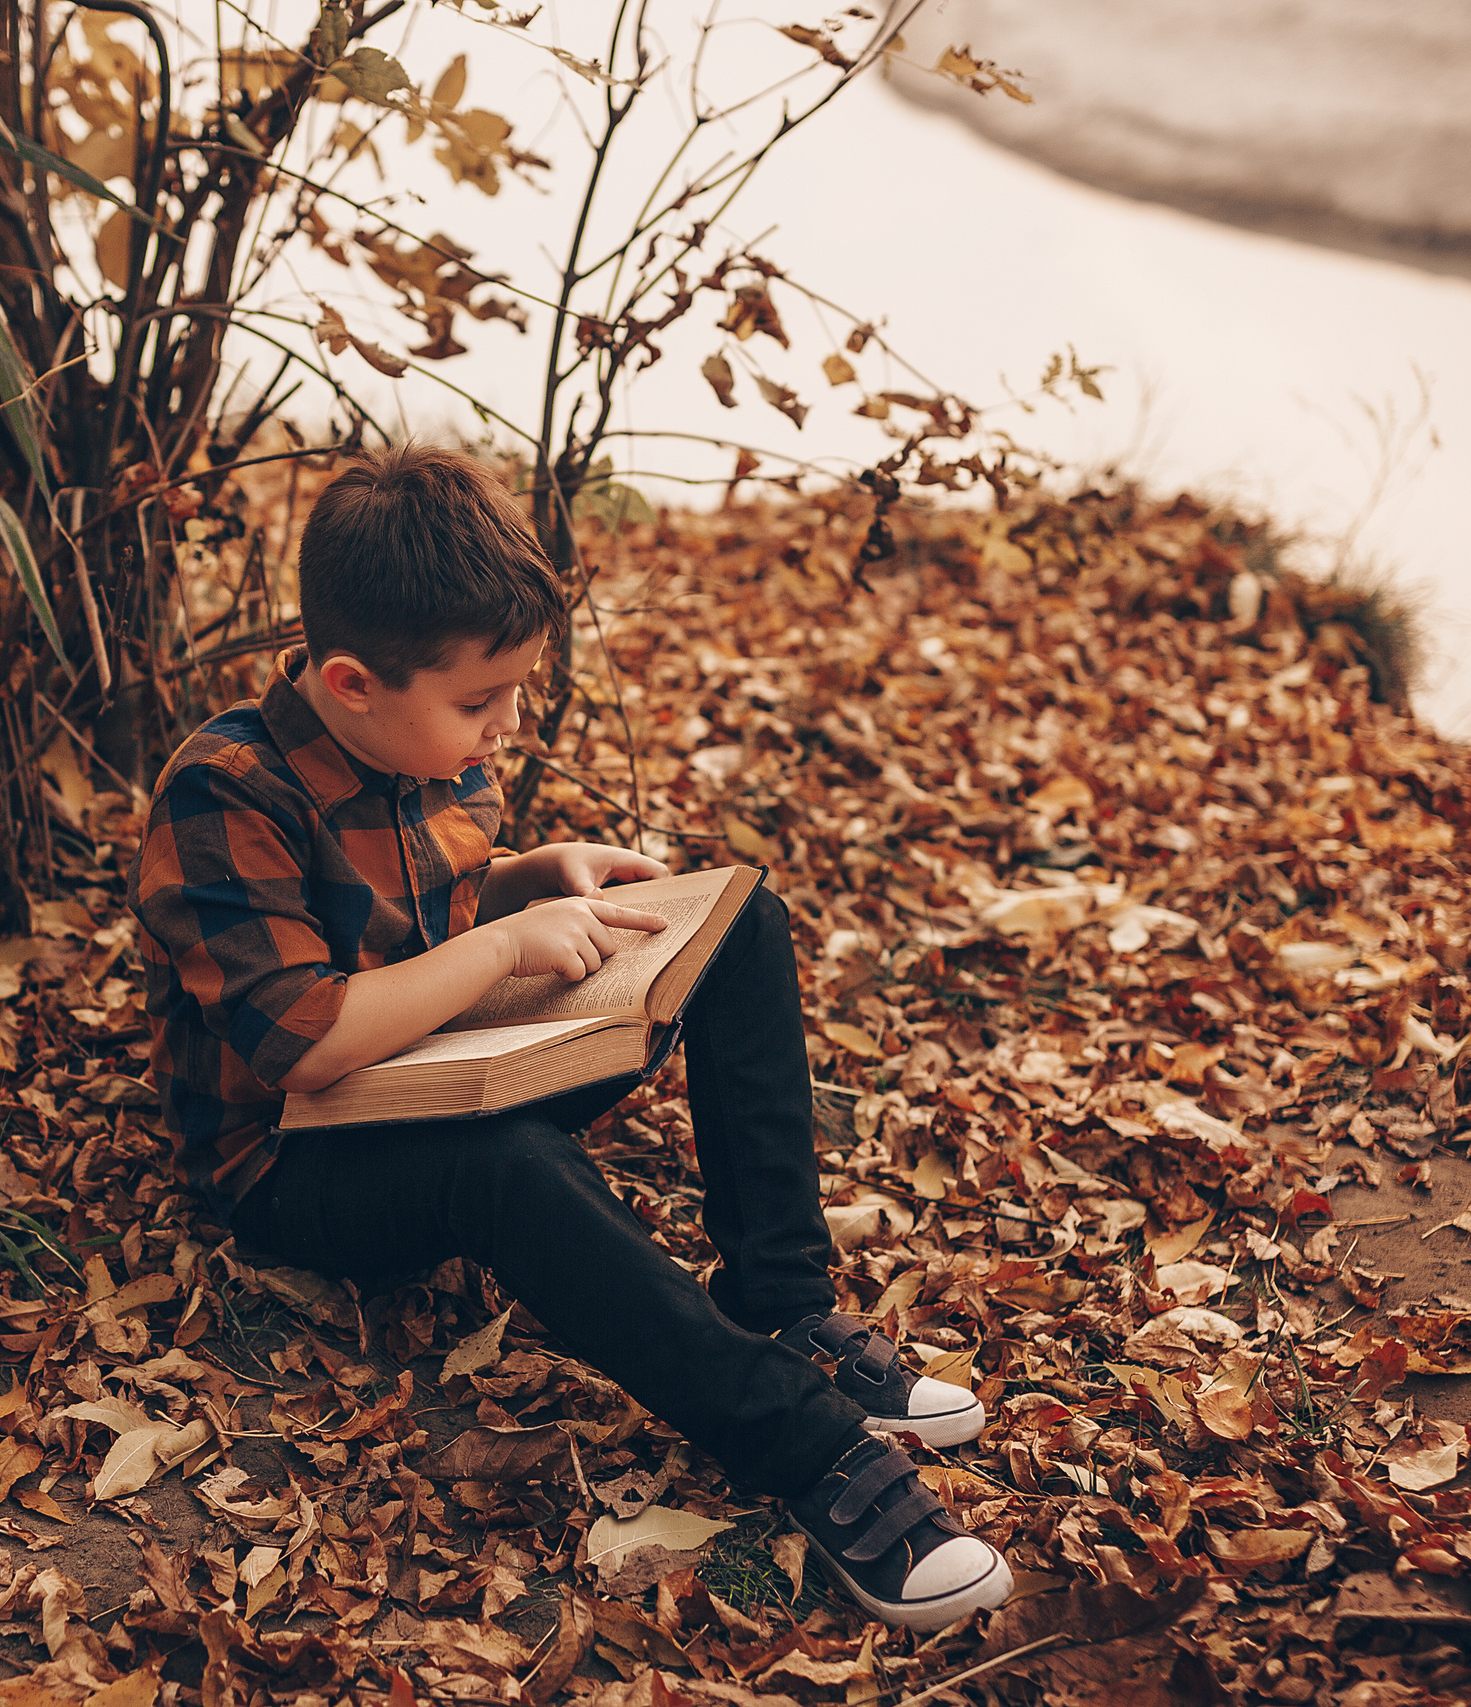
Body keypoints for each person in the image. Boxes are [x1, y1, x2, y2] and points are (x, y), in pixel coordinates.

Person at [128, 443, 1011, 1630]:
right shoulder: (224, 790)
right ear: (350, 684)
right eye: (480, 702)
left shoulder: (429, 750)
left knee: (737, 919)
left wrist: (528, 883)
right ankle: (810, 1455)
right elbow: (305, 1041)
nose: (506, 725)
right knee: (511, 1171)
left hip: (437, 1074)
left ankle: (782, 1300)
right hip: (297, 1159)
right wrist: (498, 949)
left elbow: (412, 918)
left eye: (514, 693)